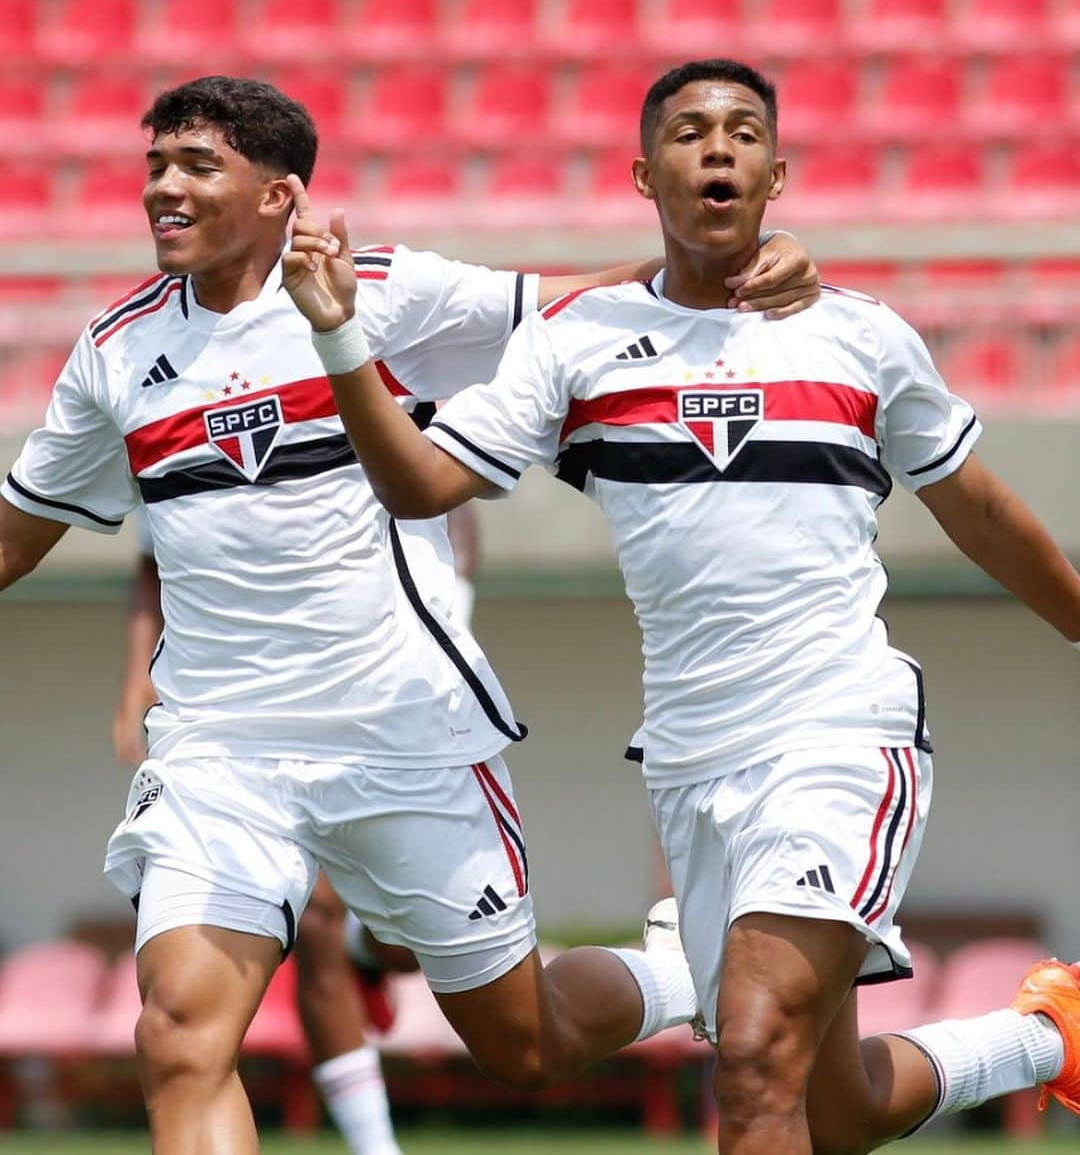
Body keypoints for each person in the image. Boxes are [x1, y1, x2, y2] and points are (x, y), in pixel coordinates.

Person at [0, 74, 822, 1154]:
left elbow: (572, 302)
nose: (163, 187)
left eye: (195, 165)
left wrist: (734, 270)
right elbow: (16, 535)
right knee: (180, 1035)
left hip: (406, 734)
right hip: (221, 748)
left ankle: (684, 967)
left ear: (277, 194)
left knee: (527, 1043)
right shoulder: (114, 351)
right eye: (154, 165)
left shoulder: (385, 294)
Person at [282, 57, 1080, 1155]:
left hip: (841, 731)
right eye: (692, 131)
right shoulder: (578, 343)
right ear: (643, 173)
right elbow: (418, 482)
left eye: (745, 132)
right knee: (826, 1106)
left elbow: (980, 511)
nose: (719, 147)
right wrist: (339, 338)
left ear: (778, 173)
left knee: (754, 1057)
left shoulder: (862, 333)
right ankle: (1045, 1035)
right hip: (691, 762)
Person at [112, 506, 427, 1155]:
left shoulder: (377, 421)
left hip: (384, 705)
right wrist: (135, 679)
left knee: (434, 963)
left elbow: (437, 502)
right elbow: (151, 561)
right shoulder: (159, 415)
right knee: (185, 1025)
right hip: (229, 735)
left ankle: (368, 948)